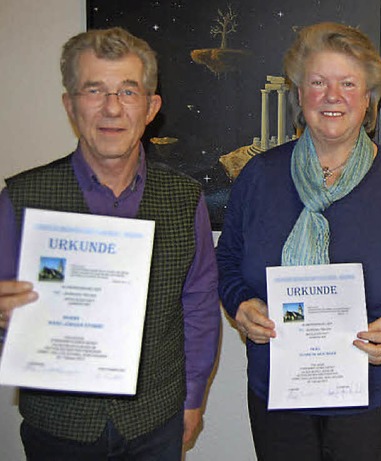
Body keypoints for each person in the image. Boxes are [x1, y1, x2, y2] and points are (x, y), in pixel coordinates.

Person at [216, 22, 381, 461]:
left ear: (369, 97)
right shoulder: (259, 177)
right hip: (277, 390)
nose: (332, 96)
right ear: (299, 94)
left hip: (368, 393)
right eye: (318, 82)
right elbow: (227, 260)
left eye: (347, 83)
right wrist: (241, 304)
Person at [0, 27, 221, 460]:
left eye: (128, 91)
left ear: (151, 107)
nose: (112, 108)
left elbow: (197, 305)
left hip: (155, 423)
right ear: (70, 104)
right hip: (58, 428)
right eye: (94, 90)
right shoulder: (20, 200)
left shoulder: (184, 199)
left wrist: (193, 400)